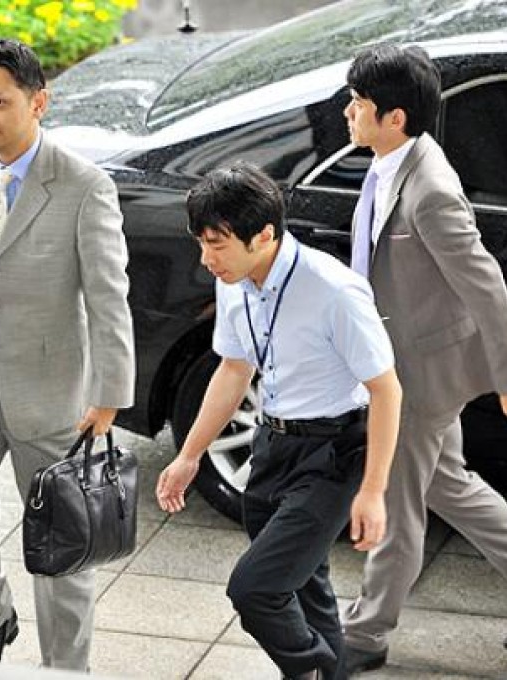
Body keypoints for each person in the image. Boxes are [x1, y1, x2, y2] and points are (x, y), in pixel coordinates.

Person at [0, 38, 134, 670]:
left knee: (63, 546)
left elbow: (108, 297)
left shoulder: (84, 186)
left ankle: (65, 668)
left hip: (52, 393)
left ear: (38, 103)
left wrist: (109, 394)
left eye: (0, 102)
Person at [156, 162, 402, 680]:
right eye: (201, 243)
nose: (206, 259)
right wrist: (189, 455)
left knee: (255, 589)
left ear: (264, 235)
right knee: (307, 590)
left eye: (217, 244)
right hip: (273, 444)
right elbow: (234, 368)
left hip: (335, 454)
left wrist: (373, 491)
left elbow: (387, 390)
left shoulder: (333, 291)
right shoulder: (233, 280)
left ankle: (311, 669)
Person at [340, 44, 507, 674]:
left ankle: (365, 633)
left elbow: (487, 286)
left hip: (419, 376)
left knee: (395, 500)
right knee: (449, 486)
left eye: (359, 103)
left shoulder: (430, 192)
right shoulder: (391, 162)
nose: (348, 112)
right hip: (403, 358)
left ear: (396, 118)